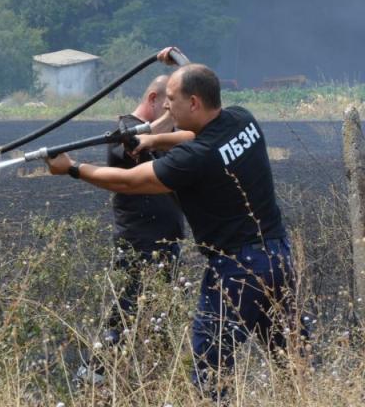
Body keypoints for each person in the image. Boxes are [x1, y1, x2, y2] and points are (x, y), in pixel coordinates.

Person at [47, 48, 303, 397]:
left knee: (210, 364)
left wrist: (73, 169)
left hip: (237, 268)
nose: (167, 108)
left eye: (172, 100)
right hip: (279, 257)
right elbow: (199, 134)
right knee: (291, 357)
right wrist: (152, 138)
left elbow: (129, 181)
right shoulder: (243, 119)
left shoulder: (194, 160)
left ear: (194, 103)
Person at [79, 75, 186, 382]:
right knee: (124, 312)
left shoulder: (165, 134)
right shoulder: (123, 132)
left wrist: (181, 65)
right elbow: (136, 147)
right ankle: (91, 376)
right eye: (167, 102)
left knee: (162, 315)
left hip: (167, 241)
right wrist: (171, 114)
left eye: (174, 103)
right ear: (153, 99)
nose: (171, 110)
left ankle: (156, 381)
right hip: (139, 241)